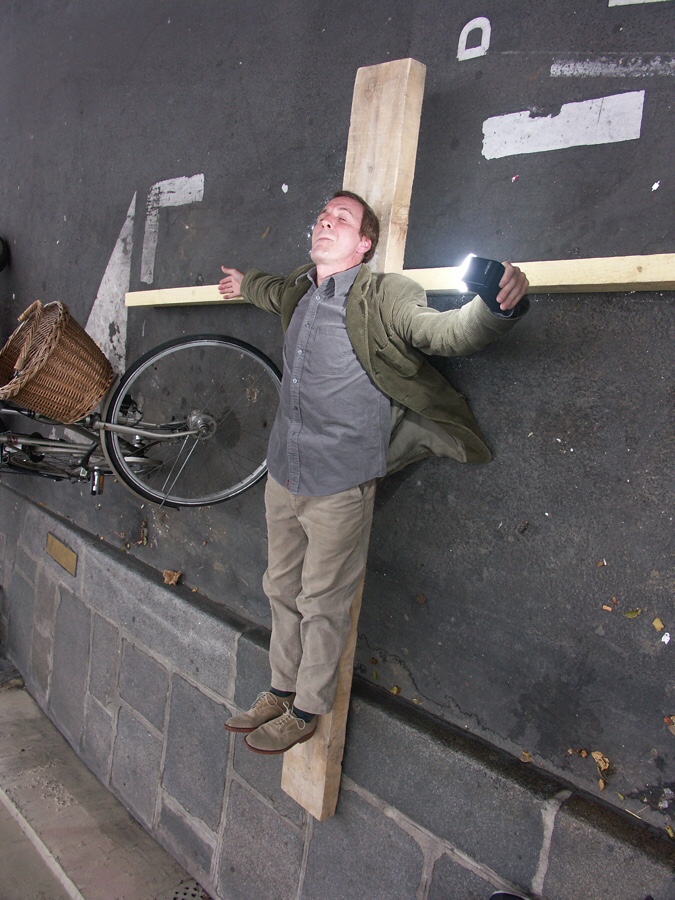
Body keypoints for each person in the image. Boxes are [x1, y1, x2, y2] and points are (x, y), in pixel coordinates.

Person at [218, 190, 529, 754]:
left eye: (342, 218)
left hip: (339, 484)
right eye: (322, 215)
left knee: (322, 601)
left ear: (363, 244)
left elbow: (446, 332)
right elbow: (270, 291)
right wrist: (244, 283)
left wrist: (497, 307)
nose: (325, 221)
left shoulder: (384, 295)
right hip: (283, 471)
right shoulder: (299, 290)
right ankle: (280, 688)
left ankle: (306, 709)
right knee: (280, 587)